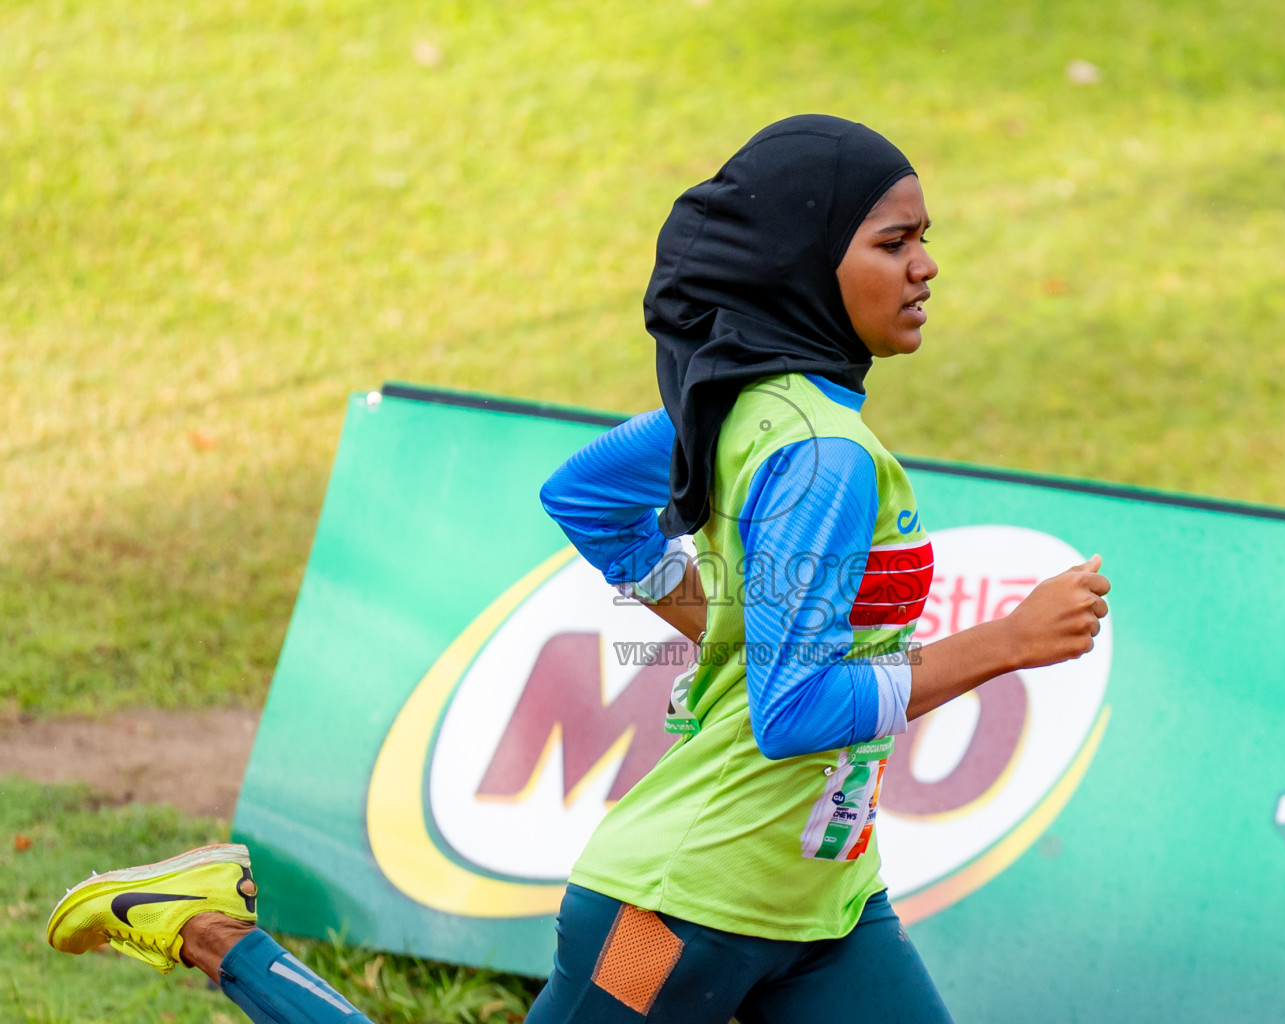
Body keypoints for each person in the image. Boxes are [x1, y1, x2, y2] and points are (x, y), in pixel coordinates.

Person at [45, 115, 1110, 1024]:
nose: (927, 265)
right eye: (894, 242)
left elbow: (588, 497)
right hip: (681, 911)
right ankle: (206, 929)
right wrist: (1003, 645)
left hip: (823, 901)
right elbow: (791, 711)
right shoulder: (819, 450)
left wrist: (717, 622)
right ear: (808, 262)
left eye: (926, 238)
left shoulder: (745, 402)